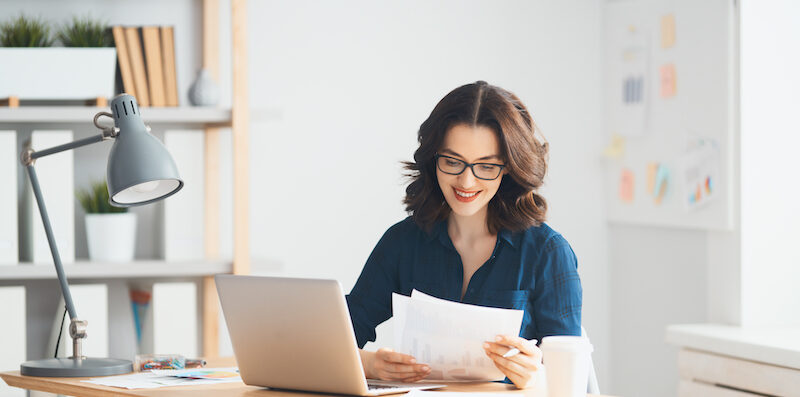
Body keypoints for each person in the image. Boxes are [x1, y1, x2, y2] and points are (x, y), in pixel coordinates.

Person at [346, 81, 582, 389]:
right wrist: (370, 364)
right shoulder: (402, 243)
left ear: (509, 168)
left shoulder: (547, 252)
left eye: (486, 166)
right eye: (453, 162)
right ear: (434, 160)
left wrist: (537, 376)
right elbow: (339, 339)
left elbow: (570, 378)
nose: (466, 181)